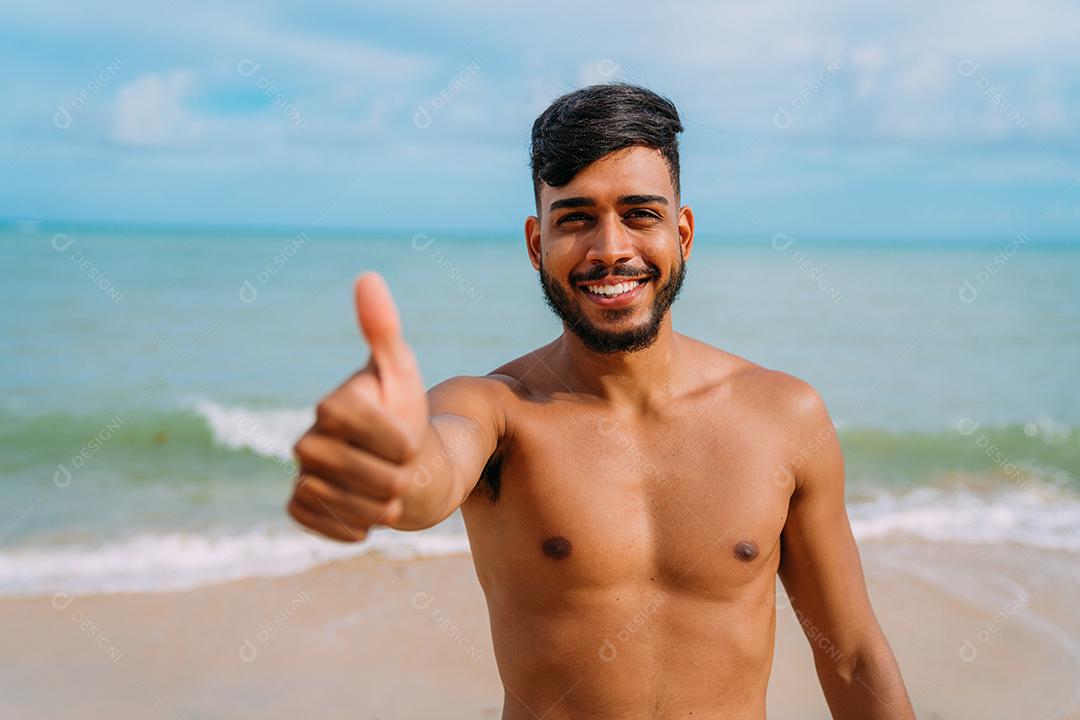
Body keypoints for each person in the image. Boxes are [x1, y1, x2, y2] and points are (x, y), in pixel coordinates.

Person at [287, 82, 916, 719]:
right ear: (537, 244)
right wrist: (387, 465)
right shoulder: (499, 411)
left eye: (640, 213)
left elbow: (852, 653)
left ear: (683, 232)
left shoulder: (784, 416)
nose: (610, 249)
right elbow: (432, 470)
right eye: (576, 218)